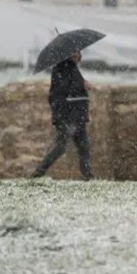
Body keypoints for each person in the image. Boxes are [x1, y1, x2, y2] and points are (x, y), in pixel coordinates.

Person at [32, 51, 95, 180]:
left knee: (83, 146)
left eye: (78, 52)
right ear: (68, 54)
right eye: (74, 53)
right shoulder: (61, 68)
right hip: (67, 114)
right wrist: (81, 84)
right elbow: (63, 90)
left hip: (77, 114)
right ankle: (40, 171)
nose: (77, 55)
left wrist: (83, 83)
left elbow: (72, 86)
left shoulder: (72, 68)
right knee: (61, 146)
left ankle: (87, 174)